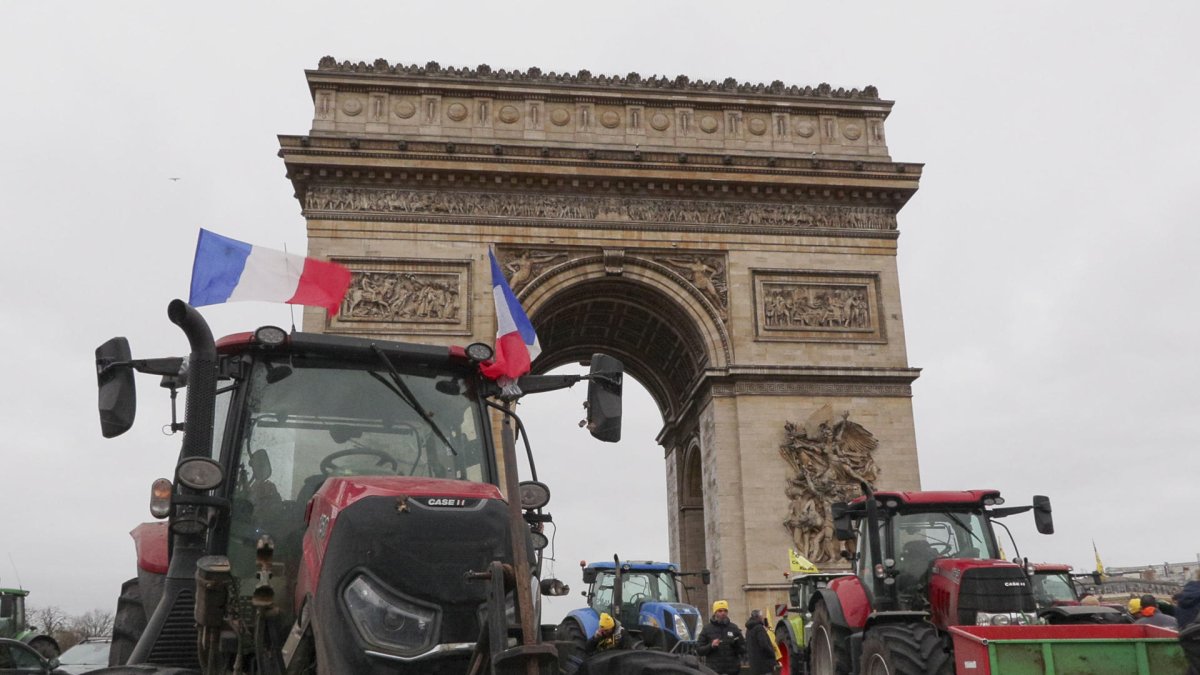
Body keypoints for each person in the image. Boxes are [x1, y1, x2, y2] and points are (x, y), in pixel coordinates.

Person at [697, 600, 745, 675]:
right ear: (715, 612)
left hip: (732, 671)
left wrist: (736, 645)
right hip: (714, 671)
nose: (723, 613)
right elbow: (699, 650)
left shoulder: (734, 628)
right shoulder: (707, 629)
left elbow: (743, 649)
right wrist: (711, 646)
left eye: (725, 611)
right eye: (720, 611)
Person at [745, 609, 777, 675]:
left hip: (754, 665)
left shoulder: (748, 629)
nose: (762, 618)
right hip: (764, 666)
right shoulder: (759, 628)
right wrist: (772, 653)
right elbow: (764, 645)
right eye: (761, 616)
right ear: (758, 617)